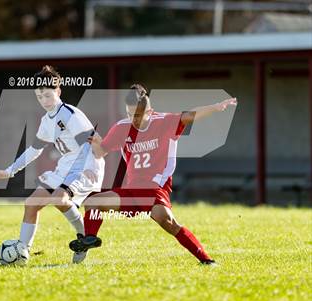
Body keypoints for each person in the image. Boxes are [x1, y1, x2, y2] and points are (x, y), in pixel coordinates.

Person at [69, 84, 237, 265]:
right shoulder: (121, 128)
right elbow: (101, 151)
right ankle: (90, 240)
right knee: (93, 202)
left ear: (150, 112)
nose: (133, 119)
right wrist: (95, 141)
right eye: (130, 114)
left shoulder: (164, 122)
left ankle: (206, 260)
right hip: (132, 191)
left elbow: (190, 115)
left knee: (168, 223)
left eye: (138, 115)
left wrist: (215, 107)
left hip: (154, 190)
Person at [0, 65, 104, 265]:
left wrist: (92, 166)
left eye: (47, 95)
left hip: (84, 166)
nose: (44, 100)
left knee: (59, 198)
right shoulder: (46, 121)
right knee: (31, 204)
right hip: (65, 166)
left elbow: (94, 141)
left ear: (58, 91)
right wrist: (10, 171)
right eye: (39, 96)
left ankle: (83, 236)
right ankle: (22, 252)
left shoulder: (70, 114)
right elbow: (34, 150)